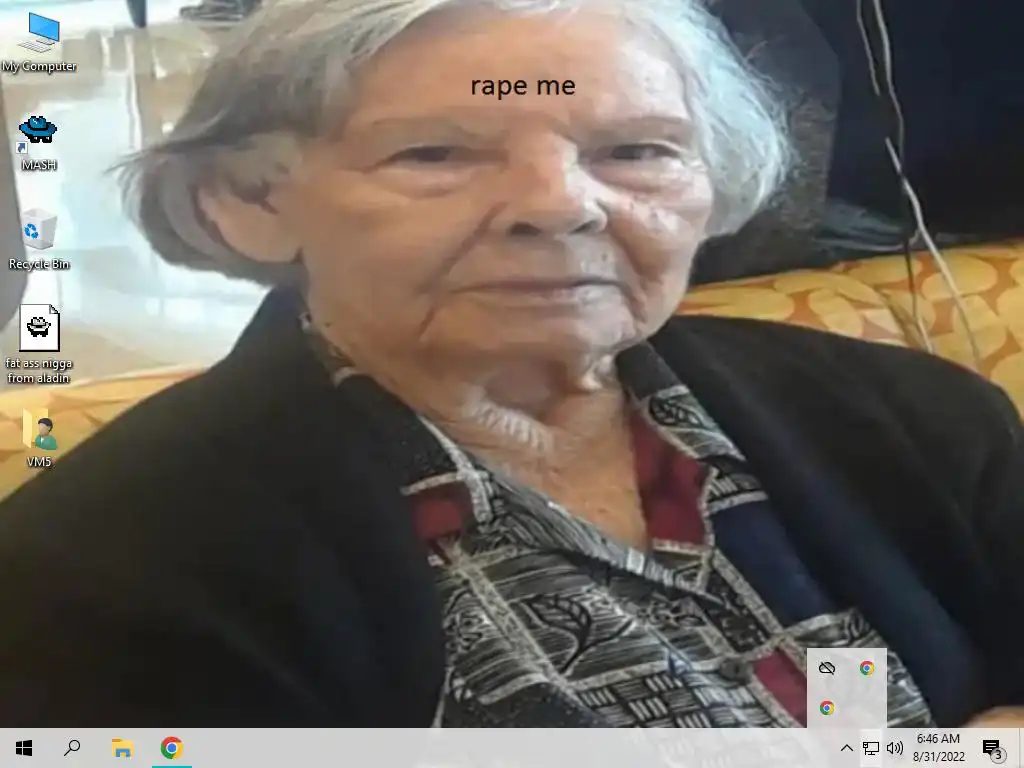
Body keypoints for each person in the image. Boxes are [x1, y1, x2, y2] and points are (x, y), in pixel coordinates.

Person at [0, 0, 1020, 728]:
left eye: (635, 151)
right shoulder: (108, 564)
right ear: (250, 203)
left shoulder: (920, 415)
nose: (559, 204)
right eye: (435, 155)